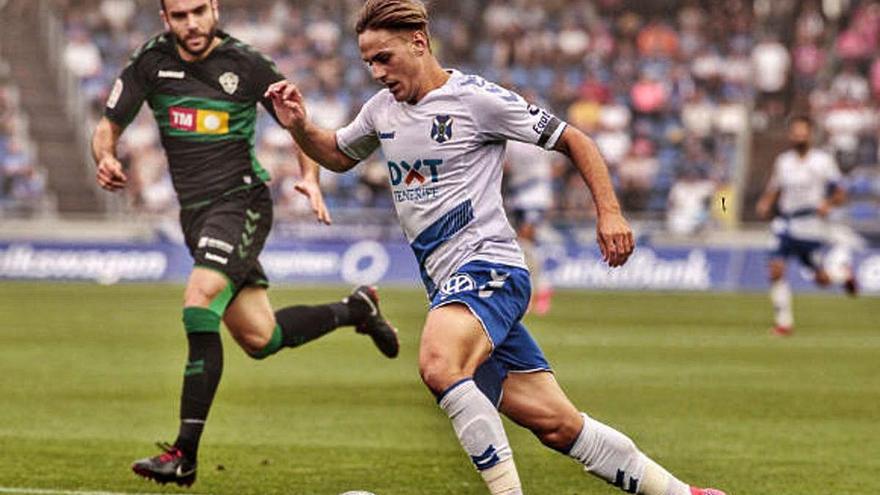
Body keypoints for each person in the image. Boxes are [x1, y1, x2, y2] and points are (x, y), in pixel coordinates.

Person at [266, 1, 726, 494]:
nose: (377, 72)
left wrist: (609, 211)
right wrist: (298, 126)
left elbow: (576, 140)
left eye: (384, 58)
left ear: (418, 42)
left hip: (489, 268)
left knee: (440, 364)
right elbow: (335, 154)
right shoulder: (381, 111)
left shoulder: (476, 99)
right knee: (557, 424)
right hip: (451, 287)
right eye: (368, 63)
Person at [90, 0, 399, 486]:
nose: (190, 23)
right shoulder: (150, 62)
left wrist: (310, 180)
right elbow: (109, 125)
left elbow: (295, 124)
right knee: (261, 338)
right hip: (196, 217)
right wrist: (105, 156)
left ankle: (183, 454)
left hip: (241, 203)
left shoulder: (247, 64)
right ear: (164, 19)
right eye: (179, 16)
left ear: (214, 8)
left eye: (198, 11)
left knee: (198, 303)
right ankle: (355, 309)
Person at [756, 115, 857, 336]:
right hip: (785, 221)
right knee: (775, 269)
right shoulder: (783, 161)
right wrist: (766, 202)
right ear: (790, 135)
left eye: (803, 132)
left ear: (810, 134)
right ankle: (784, 323)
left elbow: (840, 193)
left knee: (820, 279)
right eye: (795, 132)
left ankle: (843, 275)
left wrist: (828, 204)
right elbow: (775, 188)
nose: (799, 136)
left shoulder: (823, 161)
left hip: (810, 225)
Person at [504, 138, 556, 314]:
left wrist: (546, 185)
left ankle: (540, 288)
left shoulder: (539, 128)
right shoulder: (509, 136)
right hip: (518, 194)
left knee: (526, 241)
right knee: (524, 244)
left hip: (536, 194)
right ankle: (536, 289)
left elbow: (558, 161)